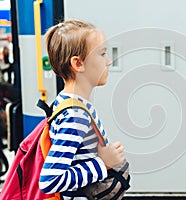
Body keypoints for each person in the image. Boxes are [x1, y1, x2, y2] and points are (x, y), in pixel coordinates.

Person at [39, 19, 125, 199]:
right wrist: (103, 163)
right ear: (78, 63)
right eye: (102, 54)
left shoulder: (69, 103)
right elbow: (50, 180)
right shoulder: (75, 116)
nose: (108, 62)